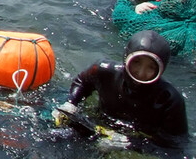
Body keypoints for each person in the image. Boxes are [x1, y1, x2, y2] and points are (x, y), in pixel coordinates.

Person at [53, 30, 188, 150]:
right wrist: (71, 103)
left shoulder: (170, 99)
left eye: (151, 68)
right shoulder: (104, 70)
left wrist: (131, 143)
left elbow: (175, 144)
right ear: (126, 59)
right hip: (99, 122)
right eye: (137, 62)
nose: (141, 73)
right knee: (55, 137)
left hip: (135, 138)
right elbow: (82, 81)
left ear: (161, 69)